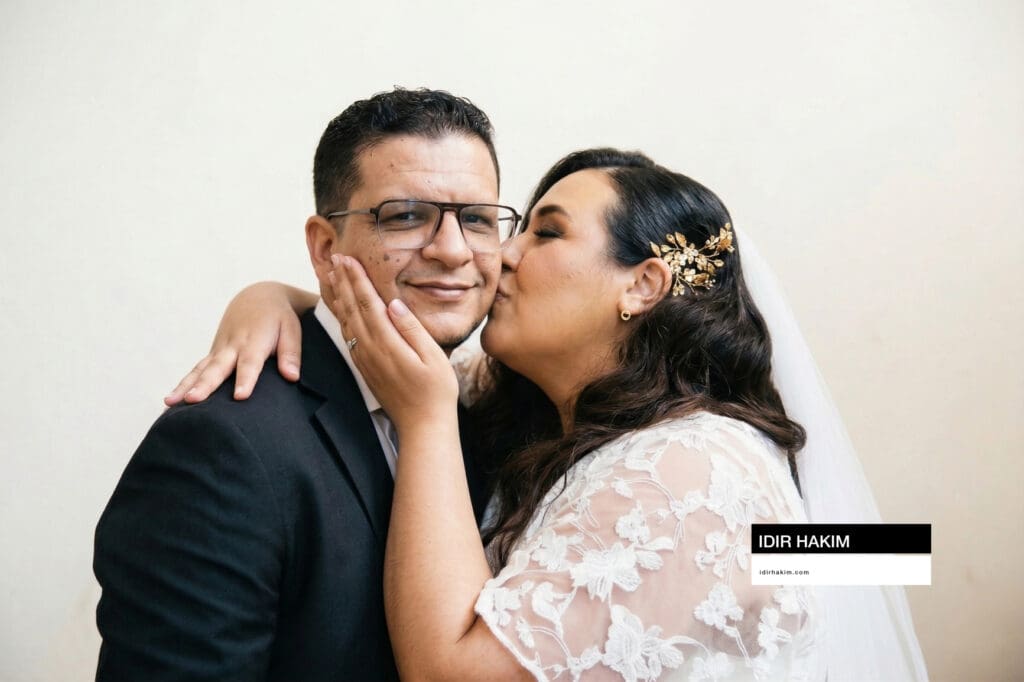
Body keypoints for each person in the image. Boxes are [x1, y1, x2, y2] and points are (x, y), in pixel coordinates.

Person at [178, 148, 848, 680]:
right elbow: (384, 346)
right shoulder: (540, 414)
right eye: (517, 227)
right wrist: (268, 299)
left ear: (643, 285)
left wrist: (428, 423)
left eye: (547, 232)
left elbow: (861, 553)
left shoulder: (695, 467)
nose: (500, 256)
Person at [92, 88, 515, 680]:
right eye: (406, 216)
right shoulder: (220, 447)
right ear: (324, 247)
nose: (452, 250)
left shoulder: (481, 417)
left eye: (476, 219)